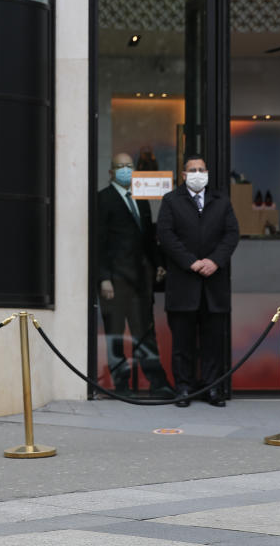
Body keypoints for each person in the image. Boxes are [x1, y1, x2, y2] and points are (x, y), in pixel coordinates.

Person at [156, 155, 239, 407]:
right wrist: (191, 262)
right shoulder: (171, 201)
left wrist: (215, 261)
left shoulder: (221, 201)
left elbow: (231, 234)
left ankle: (212, 389)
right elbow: (166, 235)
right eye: (192, 170)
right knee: (182, 342)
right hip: (183, 285)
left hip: (214, 285)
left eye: (201, 169)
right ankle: (184, 388)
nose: (197, 173)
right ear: (183, 175)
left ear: (208, 173)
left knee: (213, 341)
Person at [98, 153, 175, 397]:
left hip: (141, 280)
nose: (125, 170)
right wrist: (103, 278)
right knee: (116, 334)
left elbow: (148, 239)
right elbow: (97, 242)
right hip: (115, 280)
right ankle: (120, 386)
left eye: (128, 166)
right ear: (111, 172)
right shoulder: (102, 199)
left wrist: (158, 263)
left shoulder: (140, 200)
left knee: (145, 333)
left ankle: (157, 383)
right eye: (119, 166)